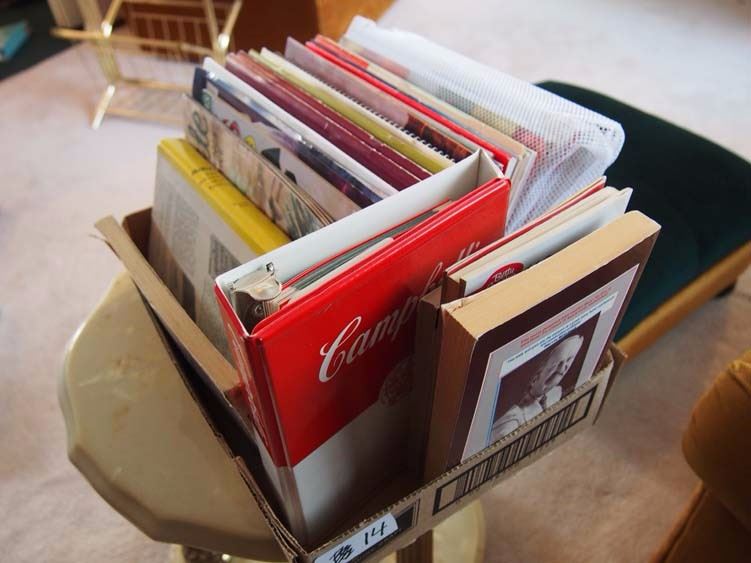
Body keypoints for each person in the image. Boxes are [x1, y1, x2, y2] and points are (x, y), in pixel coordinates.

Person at [490, 334, 584, 442]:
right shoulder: (512, 422)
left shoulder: (555, 394)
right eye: (557, 366)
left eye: (567, 364)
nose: (563, 368)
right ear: (535, 378)